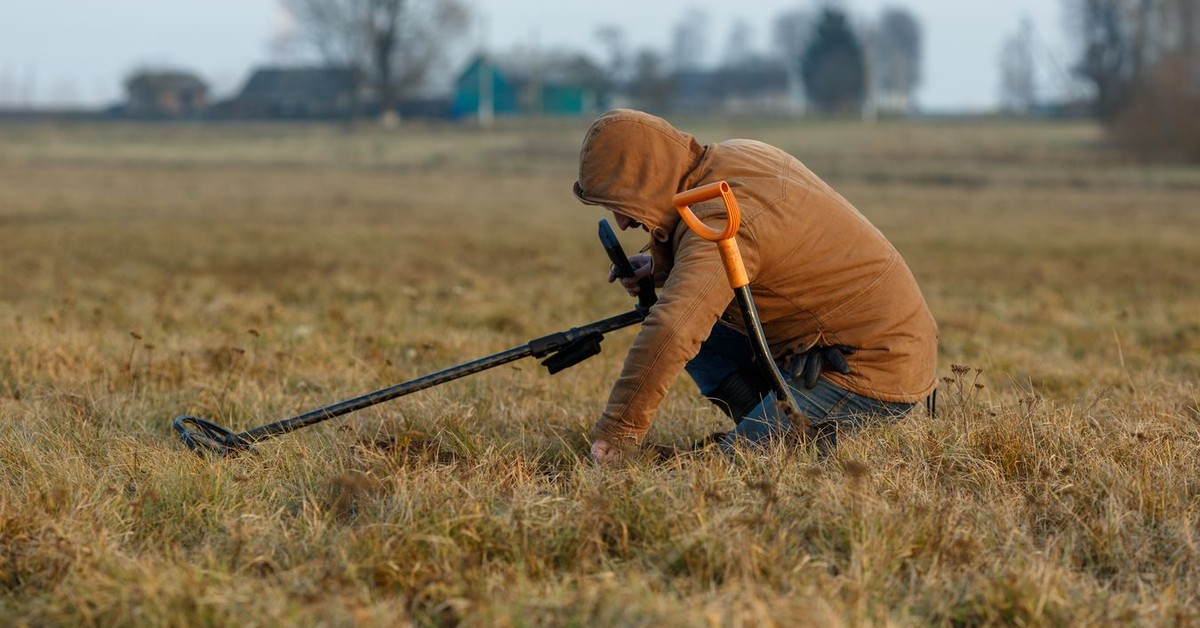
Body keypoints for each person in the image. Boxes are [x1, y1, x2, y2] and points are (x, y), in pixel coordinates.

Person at [572, 109, 938, 463]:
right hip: (841, 341)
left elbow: (674, 328)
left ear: (648, 179)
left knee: (730, 473)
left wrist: (618, 431)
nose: (621, 223)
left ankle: (790, 441)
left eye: (622, 204)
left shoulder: (720, 218)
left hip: (869, 365)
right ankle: (769, 423)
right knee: (704, 330)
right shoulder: (734, 156)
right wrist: (657, 265)